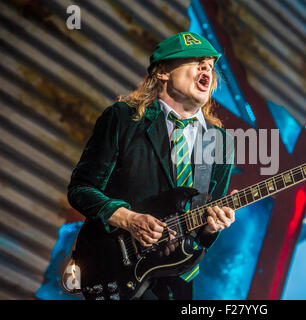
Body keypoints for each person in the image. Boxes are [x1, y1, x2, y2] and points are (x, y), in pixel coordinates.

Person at [67, 32, 236, 300]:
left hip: (176, 281)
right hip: (114, 266)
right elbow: (81, 188)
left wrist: (211, 228)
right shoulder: (124, 119)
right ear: (163, 72)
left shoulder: (220, 142)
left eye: (211, 66)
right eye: (196, 61)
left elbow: (200, 225)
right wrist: (129, 219)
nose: (207, 68)